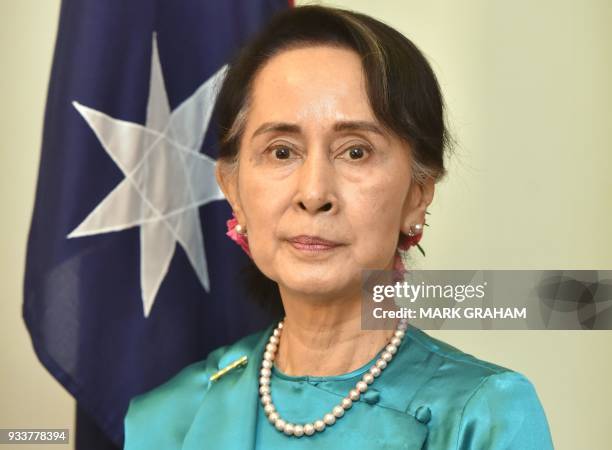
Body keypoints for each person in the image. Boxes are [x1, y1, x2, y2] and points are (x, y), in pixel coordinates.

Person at [123, 5, 554, 449]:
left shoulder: (484, 415)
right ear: (232, 188)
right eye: (281, 152)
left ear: (418, 192)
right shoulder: (166, 419)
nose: (314, 193)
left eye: (355, 152)